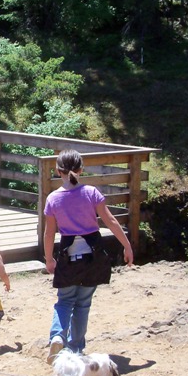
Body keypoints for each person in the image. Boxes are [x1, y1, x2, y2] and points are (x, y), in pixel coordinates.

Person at [43, 149, 134, 364]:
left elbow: (49, 233)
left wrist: (49, 259)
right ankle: (75, 350)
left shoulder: (53, 199)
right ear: (81, 169)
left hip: (67, 254)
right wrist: (127, 246)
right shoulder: (92, 193)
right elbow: (110, 221)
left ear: (57, 171)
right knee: (83, 304)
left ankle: (57, 336)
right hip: (93, 256)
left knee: (65, 301)